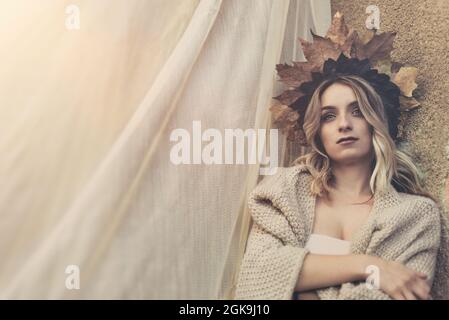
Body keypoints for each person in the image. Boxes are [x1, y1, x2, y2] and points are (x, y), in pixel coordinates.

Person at [234, 58, 449, 300]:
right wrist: (370, 266)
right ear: (318, 132)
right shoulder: (285, 191)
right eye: (328, 116)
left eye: (357, 112)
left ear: (375, 123)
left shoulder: (416, 215)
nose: (344, 124)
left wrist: (302, 286)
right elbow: (258, 275)